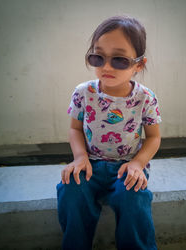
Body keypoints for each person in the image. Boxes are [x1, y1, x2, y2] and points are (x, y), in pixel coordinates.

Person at [56, 15, 162, 250]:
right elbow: (75, 129)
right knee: (70, 191)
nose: (106, 66)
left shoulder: (145, 98)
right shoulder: (83, 92)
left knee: (134, 198)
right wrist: (80, 157)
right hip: (90, 164)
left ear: (139, 65)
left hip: (127, 167)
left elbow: (154, 137)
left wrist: (138, 163)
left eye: (119, 60)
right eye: (97, 56)